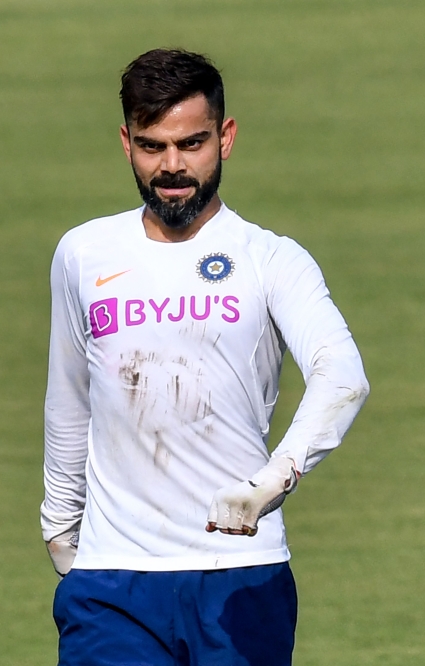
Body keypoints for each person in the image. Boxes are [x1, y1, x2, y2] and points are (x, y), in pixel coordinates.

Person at [41, 48, 370, 666]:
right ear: (125, 142)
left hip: (240, 573)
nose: (171, 167)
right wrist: (60, 523)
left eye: (191, 144)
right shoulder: (83, 254)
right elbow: (69, 397)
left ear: (226, 137)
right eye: (152, 146)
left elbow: (342, 376)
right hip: (113, 579)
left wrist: (272, 481)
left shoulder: (271, 259)